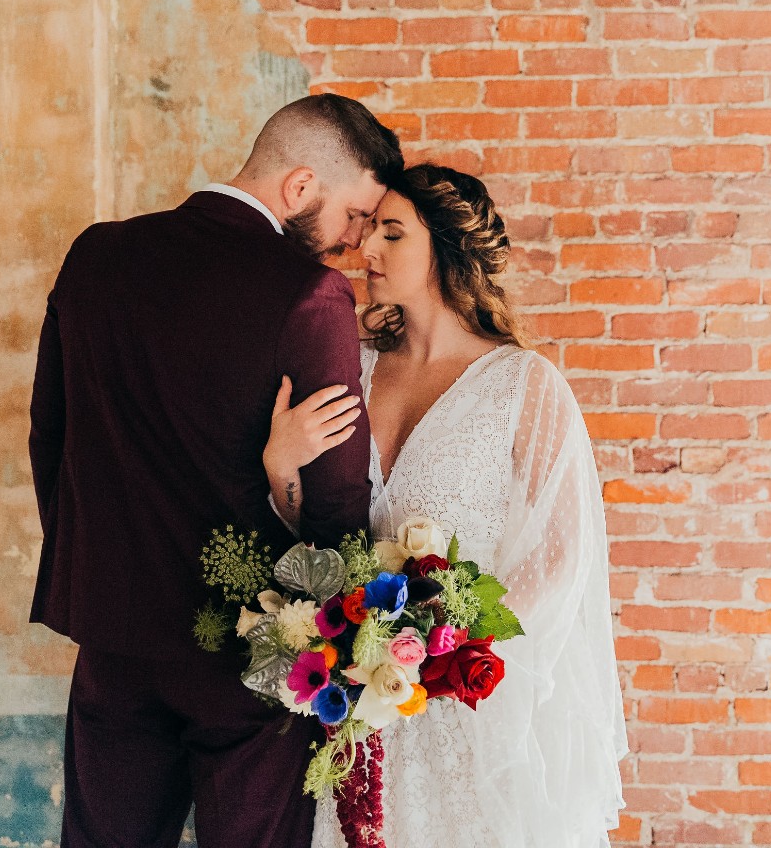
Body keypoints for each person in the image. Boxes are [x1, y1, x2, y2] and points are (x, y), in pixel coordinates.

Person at [28, 93, 402, 848]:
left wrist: (94, 567)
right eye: (356, 216)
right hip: (249, 659)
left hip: (111, 639)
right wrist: (336, 650)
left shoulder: (95, 255)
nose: (355, 242)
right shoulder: (309, 296)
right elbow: (336, 503)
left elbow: (50, 437)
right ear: (300, 187)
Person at [265, 163, 627, 847]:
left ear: (446, 250)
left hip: (467, 705)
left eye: (392, 233)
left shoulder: (523, 384)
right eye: (369, 230)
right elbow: (312, 534)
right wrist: (281, 465)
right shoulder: (352, 369)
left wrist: (440, 649)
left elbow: (560, 556)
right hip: (359, 699)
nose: (366, 249)